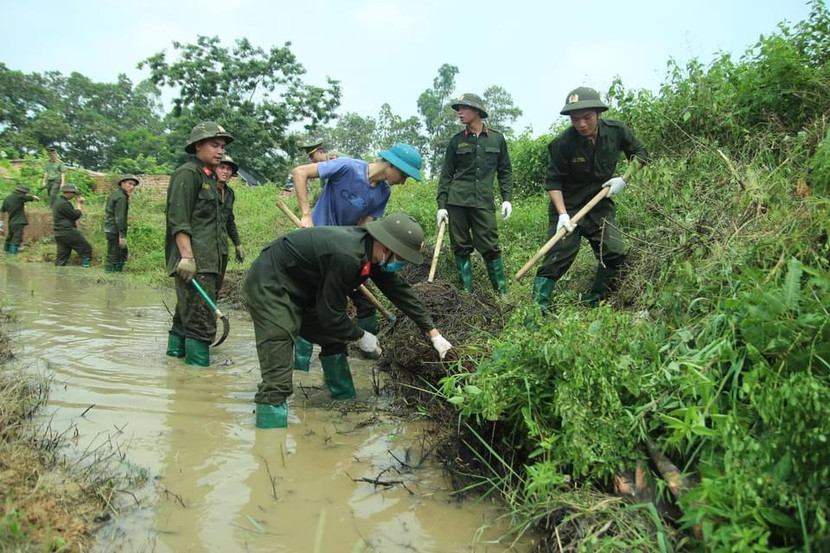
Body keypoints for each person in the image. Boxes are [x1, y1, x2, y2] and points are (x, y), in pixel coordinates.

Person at [244, 213, 453, 428]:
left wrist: (433, 332)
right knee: (277, 368)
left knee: (333, 339)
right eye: (400, 258)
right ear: (386, 248)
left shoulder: (372, 254)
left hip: (305, 287)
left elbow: (400, 291)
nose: (400, 264)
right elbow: (330, 313)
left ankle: (345, 405)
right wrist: (360, 335)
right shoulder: (347, 255)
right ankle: (270, 443)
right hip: (271, 283)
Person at [290, 143, 423, 369]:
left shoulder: (383, 192)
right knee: (309, 307)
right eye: (403, 175)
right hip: (315, 248)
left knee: (356, 303)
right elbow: (300, 172)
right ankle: (301, 367)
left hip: (343, 254)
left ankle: (365, 352)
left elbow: (365, 228)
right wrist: (306, 215)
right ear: (391, 165)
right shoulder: (347, 167)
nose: (403, 182)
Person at [533, 86, 648, 309]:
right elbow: (553, 182)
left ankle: (597, 302)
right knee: (557, 257)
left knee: (613, 252)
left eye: (587, 117)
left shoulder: (616, 131)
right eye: (575, 119)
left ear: (598, 113)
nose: (582, 124)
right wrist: (563, 215)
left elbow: (641, 153)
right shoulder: (562, 143)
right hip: (569, 206)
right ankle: (537, 311)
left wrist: (624, 178)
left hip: (600, 204)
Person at [164, 121, 234, 367]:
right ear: (197, 146)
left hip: (210, 261)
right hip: (195, 262)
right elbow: (178, 218)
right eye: (215, 145)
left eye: (222, 147)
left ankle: (174, 364)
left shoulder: (209, 179)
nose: (220, 151)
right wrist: (187, 257)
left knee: (186, 315)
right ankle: (198, 382)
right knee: (201, 322)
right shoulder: (188, 174)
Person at [436, 93, 513, 295]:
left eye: (464, 108)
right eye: (458, 109)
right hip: (457, 202)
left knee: (490, 246)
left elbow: (505, 171)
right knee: (460, 247)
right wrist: (441, 205)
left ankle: (502, 294)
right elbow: (446, 175)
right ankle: (466, 293)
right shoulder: (456, 142)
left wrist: (507, 199)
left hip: (483, 202)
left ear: (477, 111)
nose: (460, 113)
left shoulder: (496, 139)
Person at [214, 154, 244, 292]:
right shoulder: (203, 188)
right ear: (214, 168)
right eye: (222, 167)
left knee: (216, 287)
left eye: (229, 169)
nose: (225, 171)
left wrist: (237, 244)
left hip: (222, 247)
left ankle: (211, 313)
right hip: (203, 247)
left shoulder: (230, 194)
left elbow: (229, 221)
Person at [104, 175, 139, 273]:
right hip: (115, 229)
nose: (132, 187)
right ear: (122, 183)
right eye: (130, 184)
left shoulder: (115, 194)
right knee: (115, 256)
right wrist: (122, 235)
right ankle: (111, 278)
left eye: (133, 185)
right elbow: (120, 217)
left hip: (109, 228)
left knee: (119, 253)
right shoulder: (121, 197)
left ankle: (114, 276)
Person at [52, 184, 92, 267]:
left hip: (59, 233)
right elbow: (75, 215)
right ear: (68, 193)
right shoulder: (64, 204)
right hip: (68, 231)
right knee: (86, 249)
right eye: (73, 193)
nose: (74, 196)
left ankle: (58, 276)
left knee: (61, 257)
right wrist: (79, 204)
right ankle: (86, 268)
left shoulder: (57, 202)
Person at [2, 184, 40, 255]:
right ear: (22, 192)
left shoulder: (7, 199)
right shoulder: (19, 197)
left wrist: (1, 222)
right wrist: (35, 197)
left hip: (11, 221)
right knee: (17, 238)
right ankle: (12, 254)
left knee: (10, 236)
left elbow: (2, 210)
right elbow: (29, 198)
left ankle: (6, 250)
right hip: (18, 221)